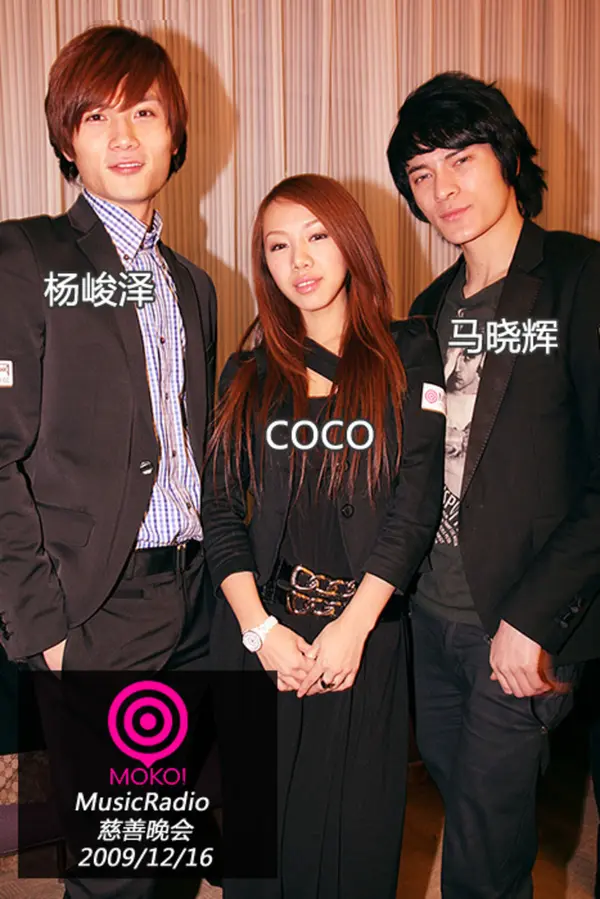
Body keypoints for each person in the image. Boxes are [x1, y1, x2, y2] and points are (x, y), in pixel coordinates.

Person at [0, 25, 217, 899]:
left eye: (144, 113)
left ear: (176, 134)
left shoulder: (193, 283)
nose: (123, 136)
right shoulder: (26, 258)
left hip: (198, 601)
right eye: (96, 117)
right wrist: (45, 630)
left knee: (171, 854)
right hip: (99, 609)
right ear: (67, 139)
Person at [201, 173, 445, 898]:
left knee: (352, 847)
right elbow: (220, 511)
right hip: (266, 634)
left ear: (351, 244)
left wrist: (352, 627)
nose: (299, 260)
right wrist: (261, 633)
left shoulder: (409, 352)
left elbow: (414, 504)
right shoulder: (247, 372)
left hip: (363, 636)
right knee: (260, 855)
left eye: (316, 236)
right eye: (278, 246)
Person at [387, 70, 600, 898]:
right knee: (463, 802)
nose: (442, 189)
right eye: (421, 173)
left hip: (519, 623)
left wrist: (535, 617)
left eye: (461, 159)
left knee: (482, 844)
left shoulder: (579, 278)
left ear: (507, 157)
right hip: (431, 616)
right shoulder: (429, 306)